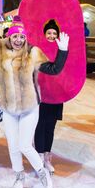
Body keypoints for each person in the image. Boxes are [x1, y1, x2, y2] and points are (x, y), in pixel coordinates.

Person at [0, 18, 68, 188]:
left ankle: (42, 173)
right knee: (13, 146)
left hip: (29, 107)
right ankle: (19, 176)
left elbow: (54, 69)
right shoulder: (1, 52)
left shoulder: (33, 53)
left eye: (21, 36)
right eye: (15, 36)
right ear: (9, 37)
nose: (18, 40)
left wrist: (63, 50)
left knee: (25, 145)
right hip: (9, 108)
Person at [34, 19, 64, 174]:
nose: (52, 36)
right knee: (40, 126)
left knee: (50, 128)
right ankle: (38, 157)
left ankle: (46, 157)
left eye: (54, 33)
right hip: (41, 95)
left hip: (56, 95)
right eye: (49, 33)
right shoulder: (38, 51)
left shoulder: (62, 49)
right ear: (44, 34)